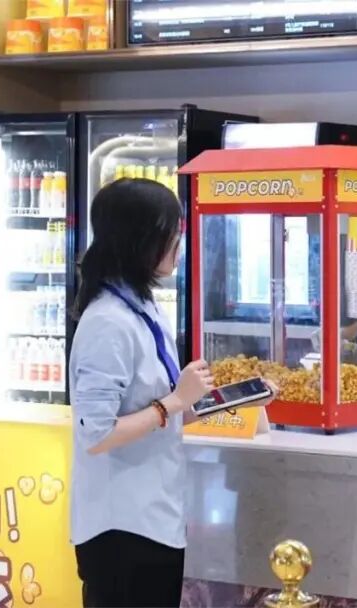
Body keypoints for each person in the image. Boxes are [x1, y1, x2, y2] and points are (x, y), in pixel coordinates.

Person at [69, 178, 272, 608]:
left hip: (157, 518)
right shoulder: (107, 322)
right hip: (119, 527)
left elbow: (168, 412)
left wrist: (233, 399)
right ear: (140, 240)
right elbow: (96, 434)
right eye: (170, 235)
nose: (178, 245)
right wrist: (175, 401)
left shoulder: (145, 308)